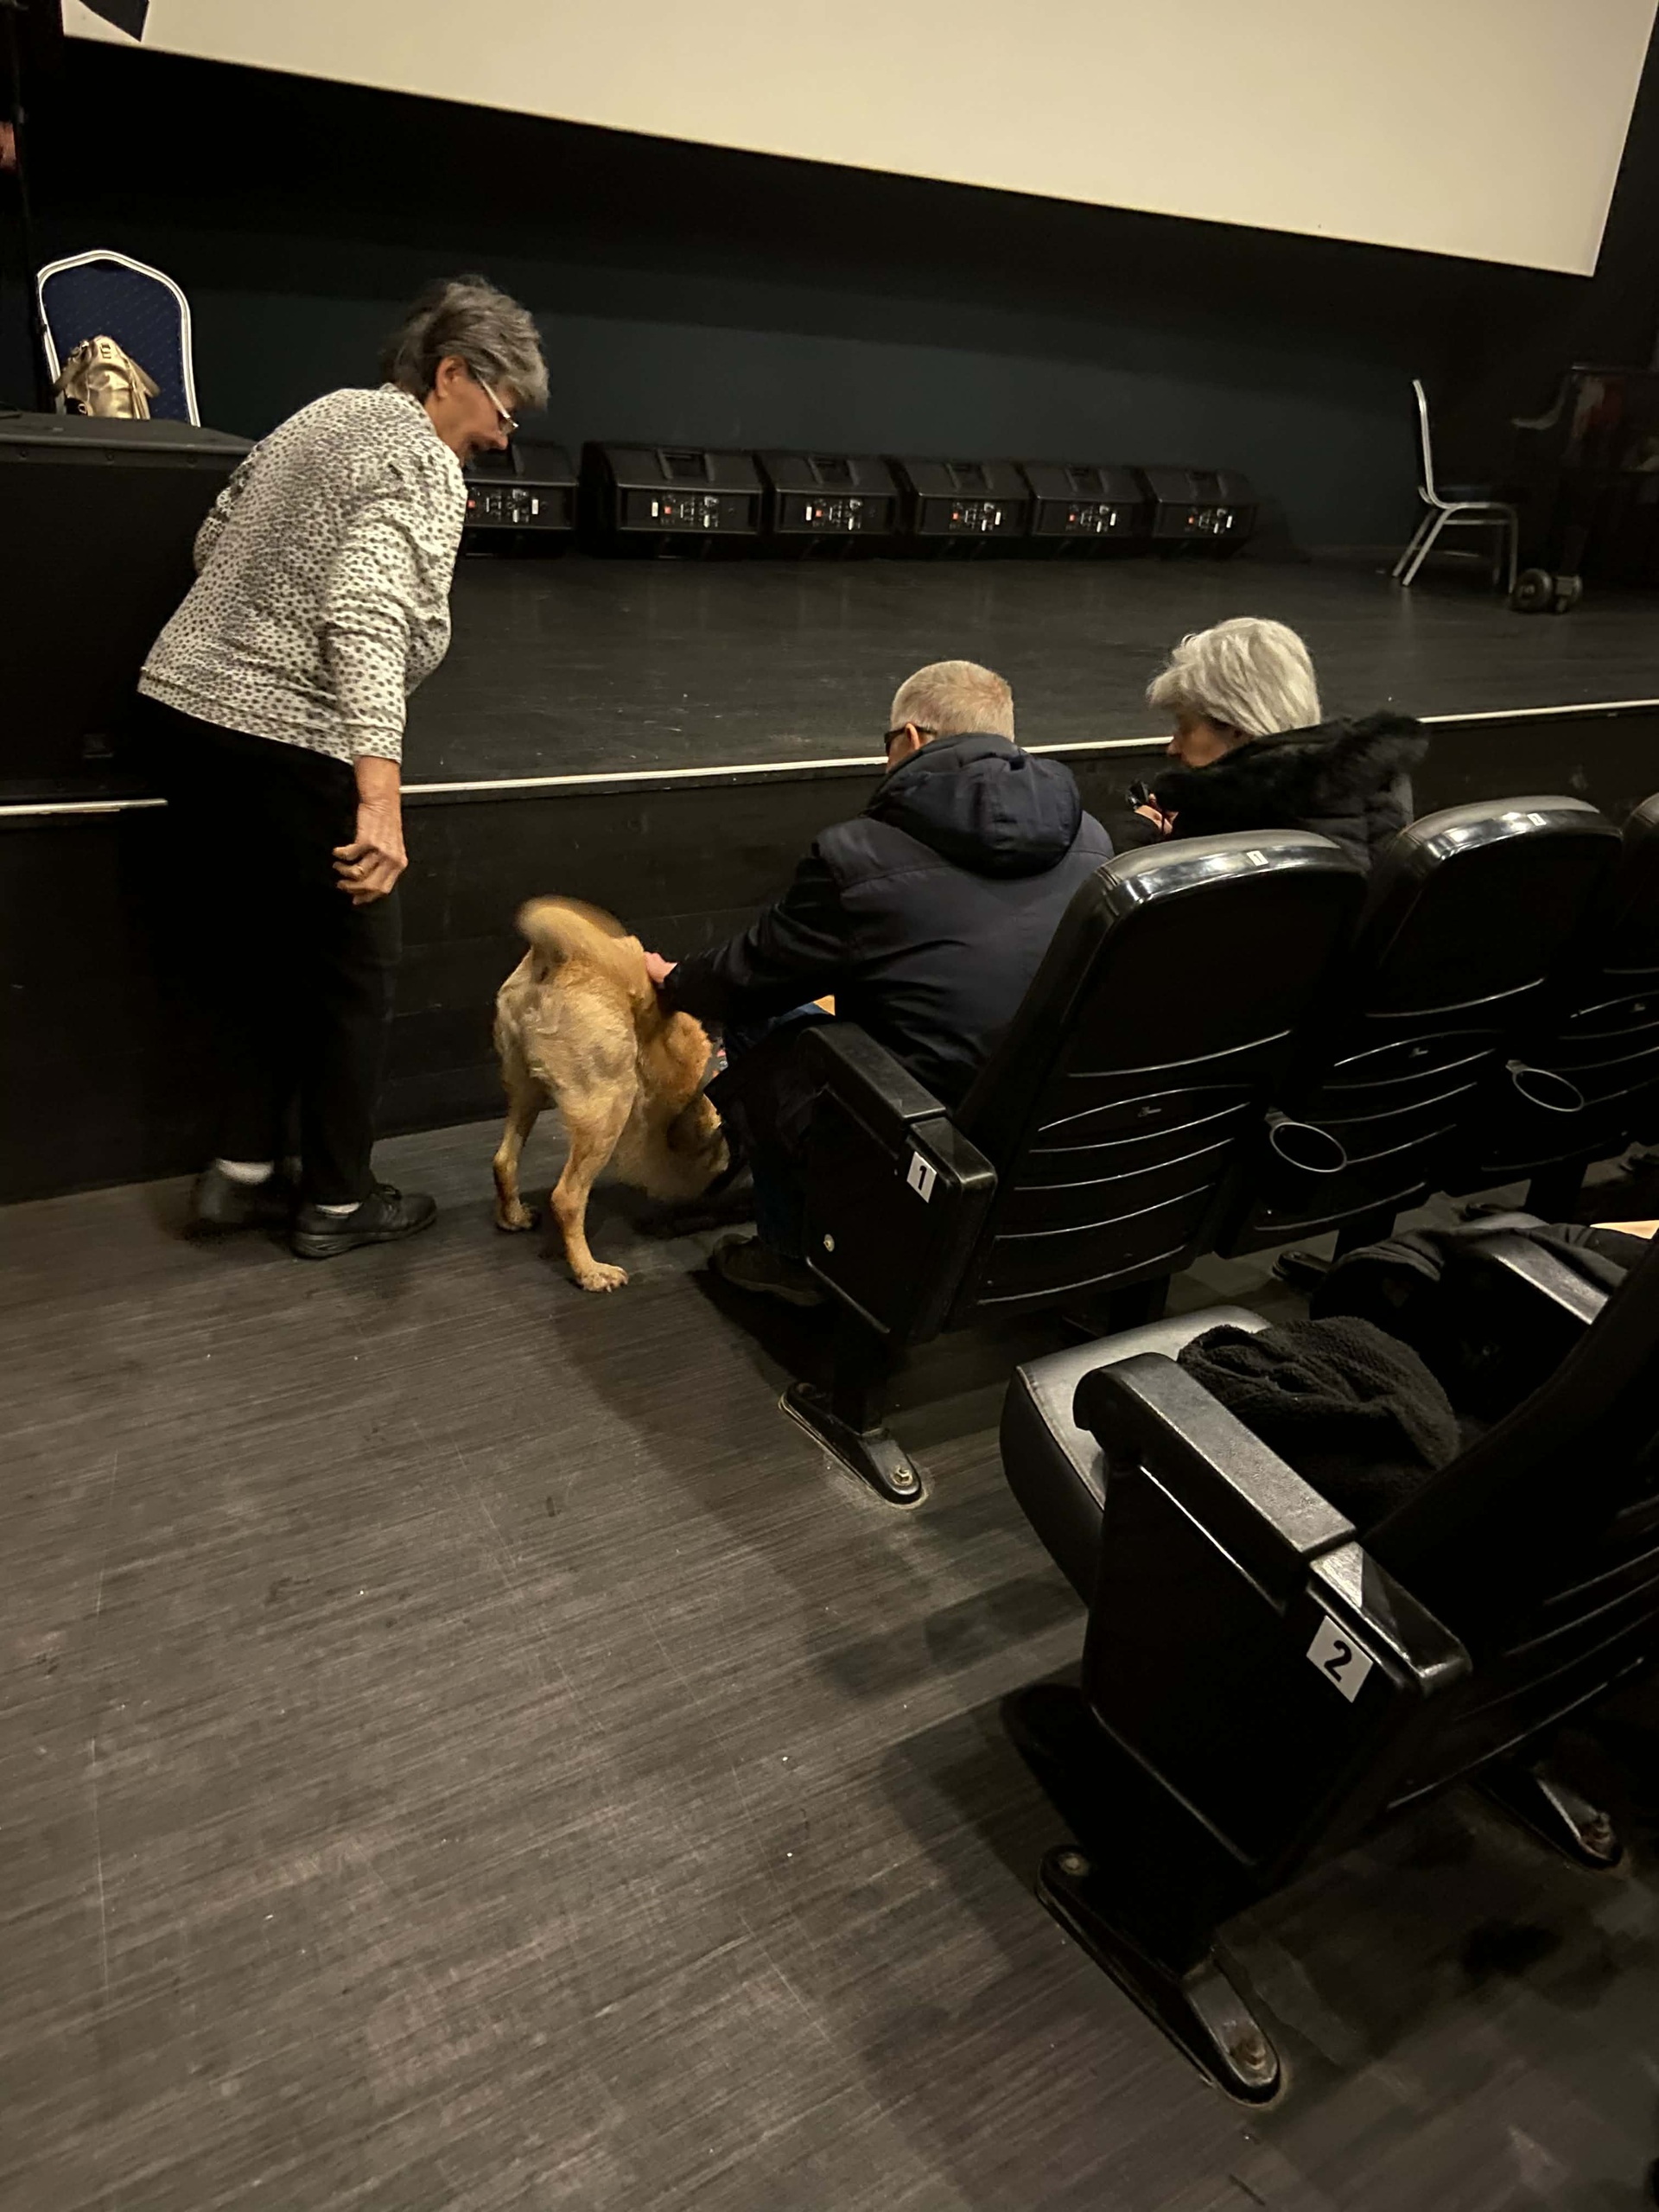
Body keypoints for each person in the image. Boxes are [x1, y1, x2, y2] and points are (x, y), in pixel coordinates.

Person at [136, 276, 548, 1256]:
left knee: (265, 950)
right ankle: (336, 1199)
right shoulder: (422, 458)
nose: (502, 438)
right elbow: (364, 614)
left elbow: (213, 535)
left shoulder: (324, 414)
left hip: (184, 715)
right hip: (289, 738)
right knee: (356, 972)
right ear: (452, 374)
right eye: (502, 411)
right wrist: (379, 801)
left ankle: (240, 1172)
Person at [645, 660, 1115, 1304]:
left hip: (924, 1132)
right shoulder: (1091, 837)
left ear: (911, 740)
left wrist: (675, 980)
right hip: (1049, 1117)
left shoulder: (857, 853)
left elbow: (750, 975)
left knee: (765, 1019)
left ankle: (792, 1255)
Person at [1135, 616, 1426, 871]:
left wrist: (1140, 844)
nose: (1173, 747)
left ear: (1237, 730)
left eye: (1185, 728)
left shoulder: (1222, 829)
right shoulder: (1378, 797)